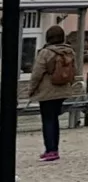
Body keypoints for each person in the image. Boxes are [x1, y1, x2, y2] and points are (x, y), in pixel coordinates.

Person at [28, 25, 75, 162]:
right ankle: (54, 148)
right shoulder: (69, 51)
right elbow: (74, 70)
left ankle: (50, 150)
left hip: (47, 91)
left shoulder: (45, 52)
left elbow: (37, 73)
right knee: (54, 119)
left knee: (47, 120)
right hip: (62, 90)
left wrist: (32, 89)